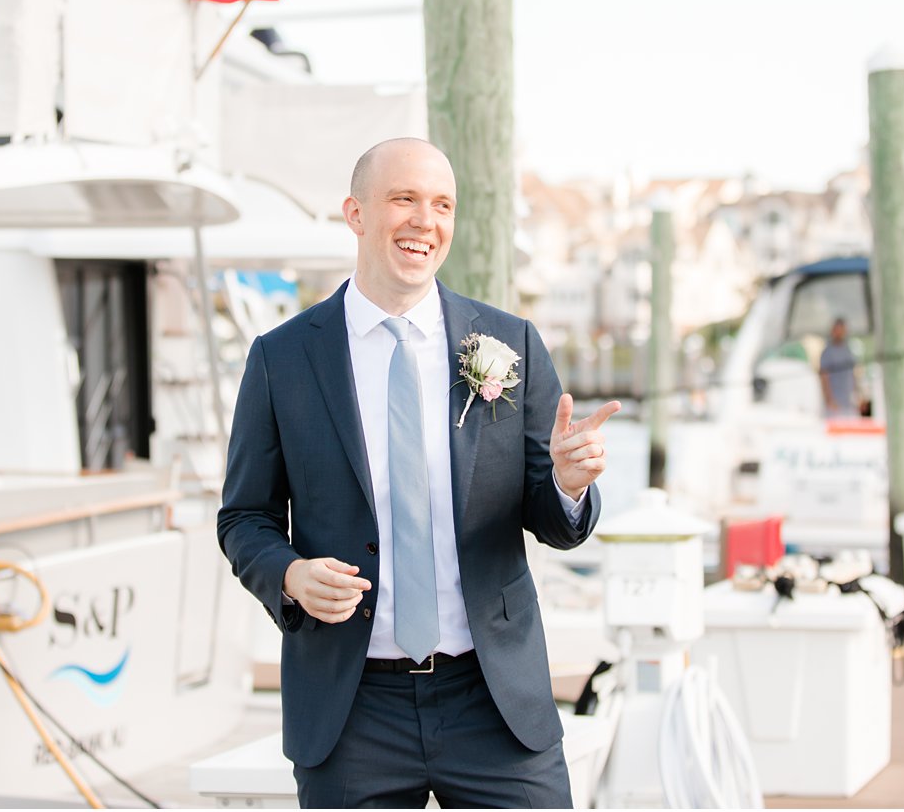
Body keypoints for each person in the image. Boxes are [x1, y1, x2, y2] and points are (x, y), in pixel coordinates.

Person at [218, 138, 620, 808]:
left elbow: (552, 518)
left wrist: (571, 485)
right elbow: (244, 517)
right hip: (351, 710)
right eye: (404, 198)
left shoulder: (508, 344)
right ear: (356, 213)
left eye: (442, 205)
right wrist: (290, 574)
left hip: (493, 700)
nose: (424, 221)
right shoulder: (281, 358)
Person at [818, 317, 858, 417]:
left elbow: (853, 374)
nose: (839, 333)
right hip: (834, 406)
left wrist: (857, 394)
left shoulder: (848, 350)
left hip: (849, 404)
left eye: (842, 330)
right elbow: (824, 377)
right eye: (837, 330)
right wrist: (829, 400)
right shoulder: (827, 353)